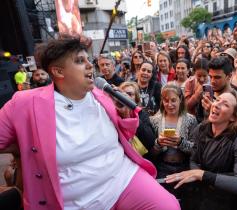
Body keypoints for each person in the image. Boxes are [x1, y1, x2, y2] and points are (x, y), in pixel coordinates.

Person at [0, 37, 179, 210]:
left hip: (123, 179)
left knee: (168, 206)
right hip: (76, 201)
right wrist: (22, 148)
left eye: (88, 59)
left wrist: (125, 115)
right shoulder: (25, 103)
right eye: (79, 61)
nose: (89, 65)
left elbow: (125, 135)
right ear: (58, 71)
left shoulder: (102, 95)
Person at [165, 90, 237, 210]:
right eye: (217, 100)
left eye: (225, 104)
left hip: (223, 202)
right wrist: (196, 173)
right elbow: (194, 158)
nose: (216, 104)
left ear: (233, 117)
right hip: (199, 199)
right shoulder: (202, 128)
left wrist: (202, 175)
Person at [119, 81, 156, 160]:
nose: (125, 97)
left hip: (140, 159)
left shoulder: (142, 114)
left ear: (136, 98)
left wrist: (131, 118)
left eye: (130, 94)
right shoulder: (114, 114)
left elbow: (150, 142)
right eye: (123, 94)